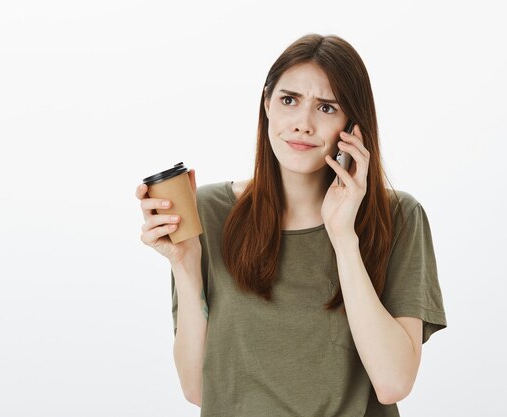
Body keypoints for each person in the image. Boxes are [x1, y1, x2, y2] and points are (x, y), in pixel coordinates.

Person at [136, 33, 447, 417]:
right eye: (289, 100)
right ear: (267, 105)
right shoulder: (209, 211)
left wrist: (343, 237)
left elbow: (393, 383)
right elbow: (198, 388)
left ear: (354, 126)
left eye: (327, 108)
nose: (303, 124)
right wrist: (185, 265)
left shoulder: (397, 217)